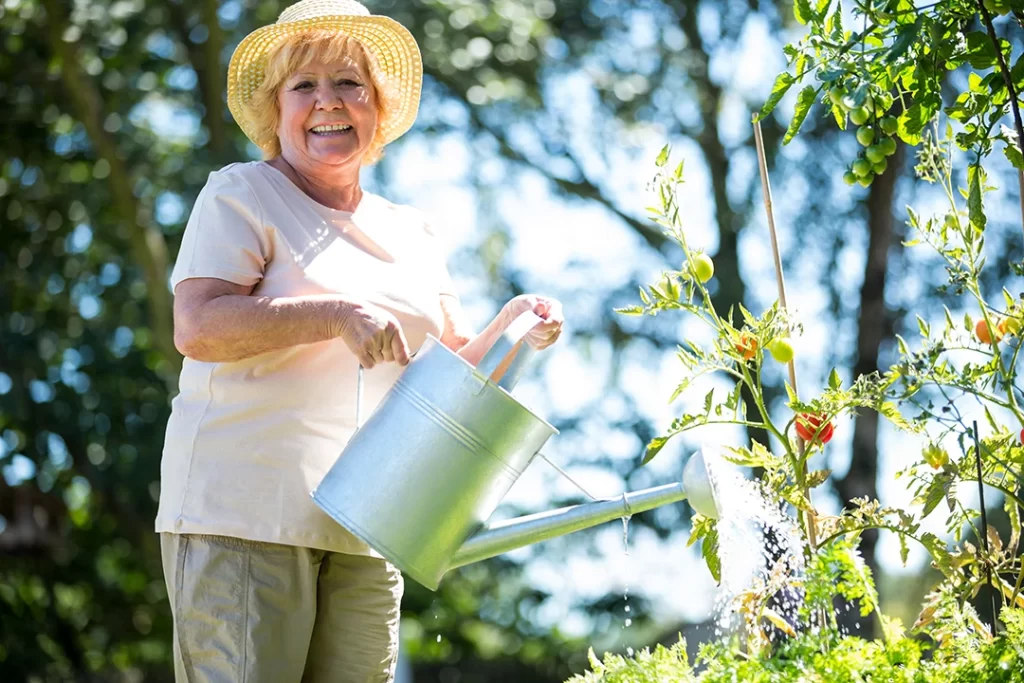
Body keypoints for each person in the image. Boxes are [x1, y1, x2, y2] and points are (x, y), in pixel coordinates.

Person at [156, 1, 564, 681]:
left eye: (350, 84)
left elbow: (443, 377)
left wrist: (514, 326)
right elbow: (198, 326)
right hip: (243, 516)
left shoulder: (412, 233)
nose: (328, 103)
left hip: (370, 526)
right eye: (304, 86)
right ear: (275, 109)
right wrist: (334, 314)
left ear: (378, 106)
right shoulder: (242, 193)